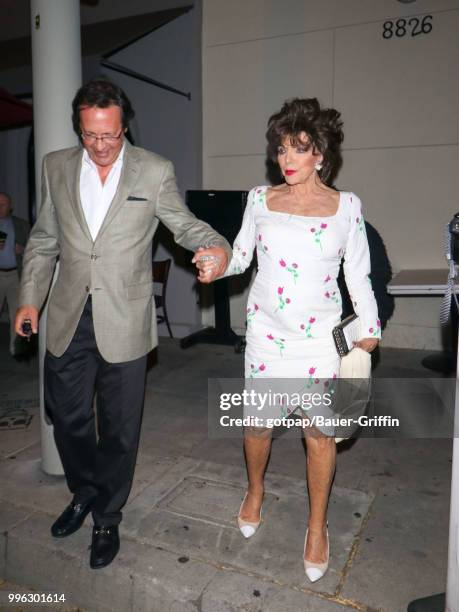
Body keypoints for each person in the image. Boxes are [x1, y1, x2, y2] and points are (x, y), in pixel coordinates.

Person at [14, 79, 229, 569]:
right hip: (69, 315)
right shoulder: (57, 167)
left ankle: (107, 517)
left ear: (123, 125)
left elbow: (185, 224)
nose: (101, 146)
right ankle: (85, 490)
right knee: (65, 417)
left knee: (120, 428)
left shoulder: (153, 171)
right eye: (91, 136)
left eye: (109, 135)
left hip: (126, 320)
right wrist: (30, 300)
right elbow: (45, 240)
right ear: (80, 129)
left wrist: (214, 247)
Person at [196, 98, 381, 582]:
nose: (287, 159)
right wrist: (218, 264)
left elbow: (359, 276)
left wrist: (369, 328)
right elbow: (239, 257)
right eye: (281, 149)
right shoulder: (260, 199)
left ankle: (317, 527)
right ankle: (255, 490)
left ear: (321, 153)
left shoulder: (347, 208)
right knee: (257, 428)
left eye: (298, 148)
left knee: (320, 437)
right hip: (266, 339)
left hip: (320, 341)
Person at [0, 192, 29, 356]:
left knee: (16, 314)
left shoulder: (21, 225)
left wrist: (23, 250)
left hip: (15, 276)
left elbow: (35, 248)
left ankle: (15, 348)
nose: (0, 207)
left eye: (3, 204)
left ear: (10, 207)